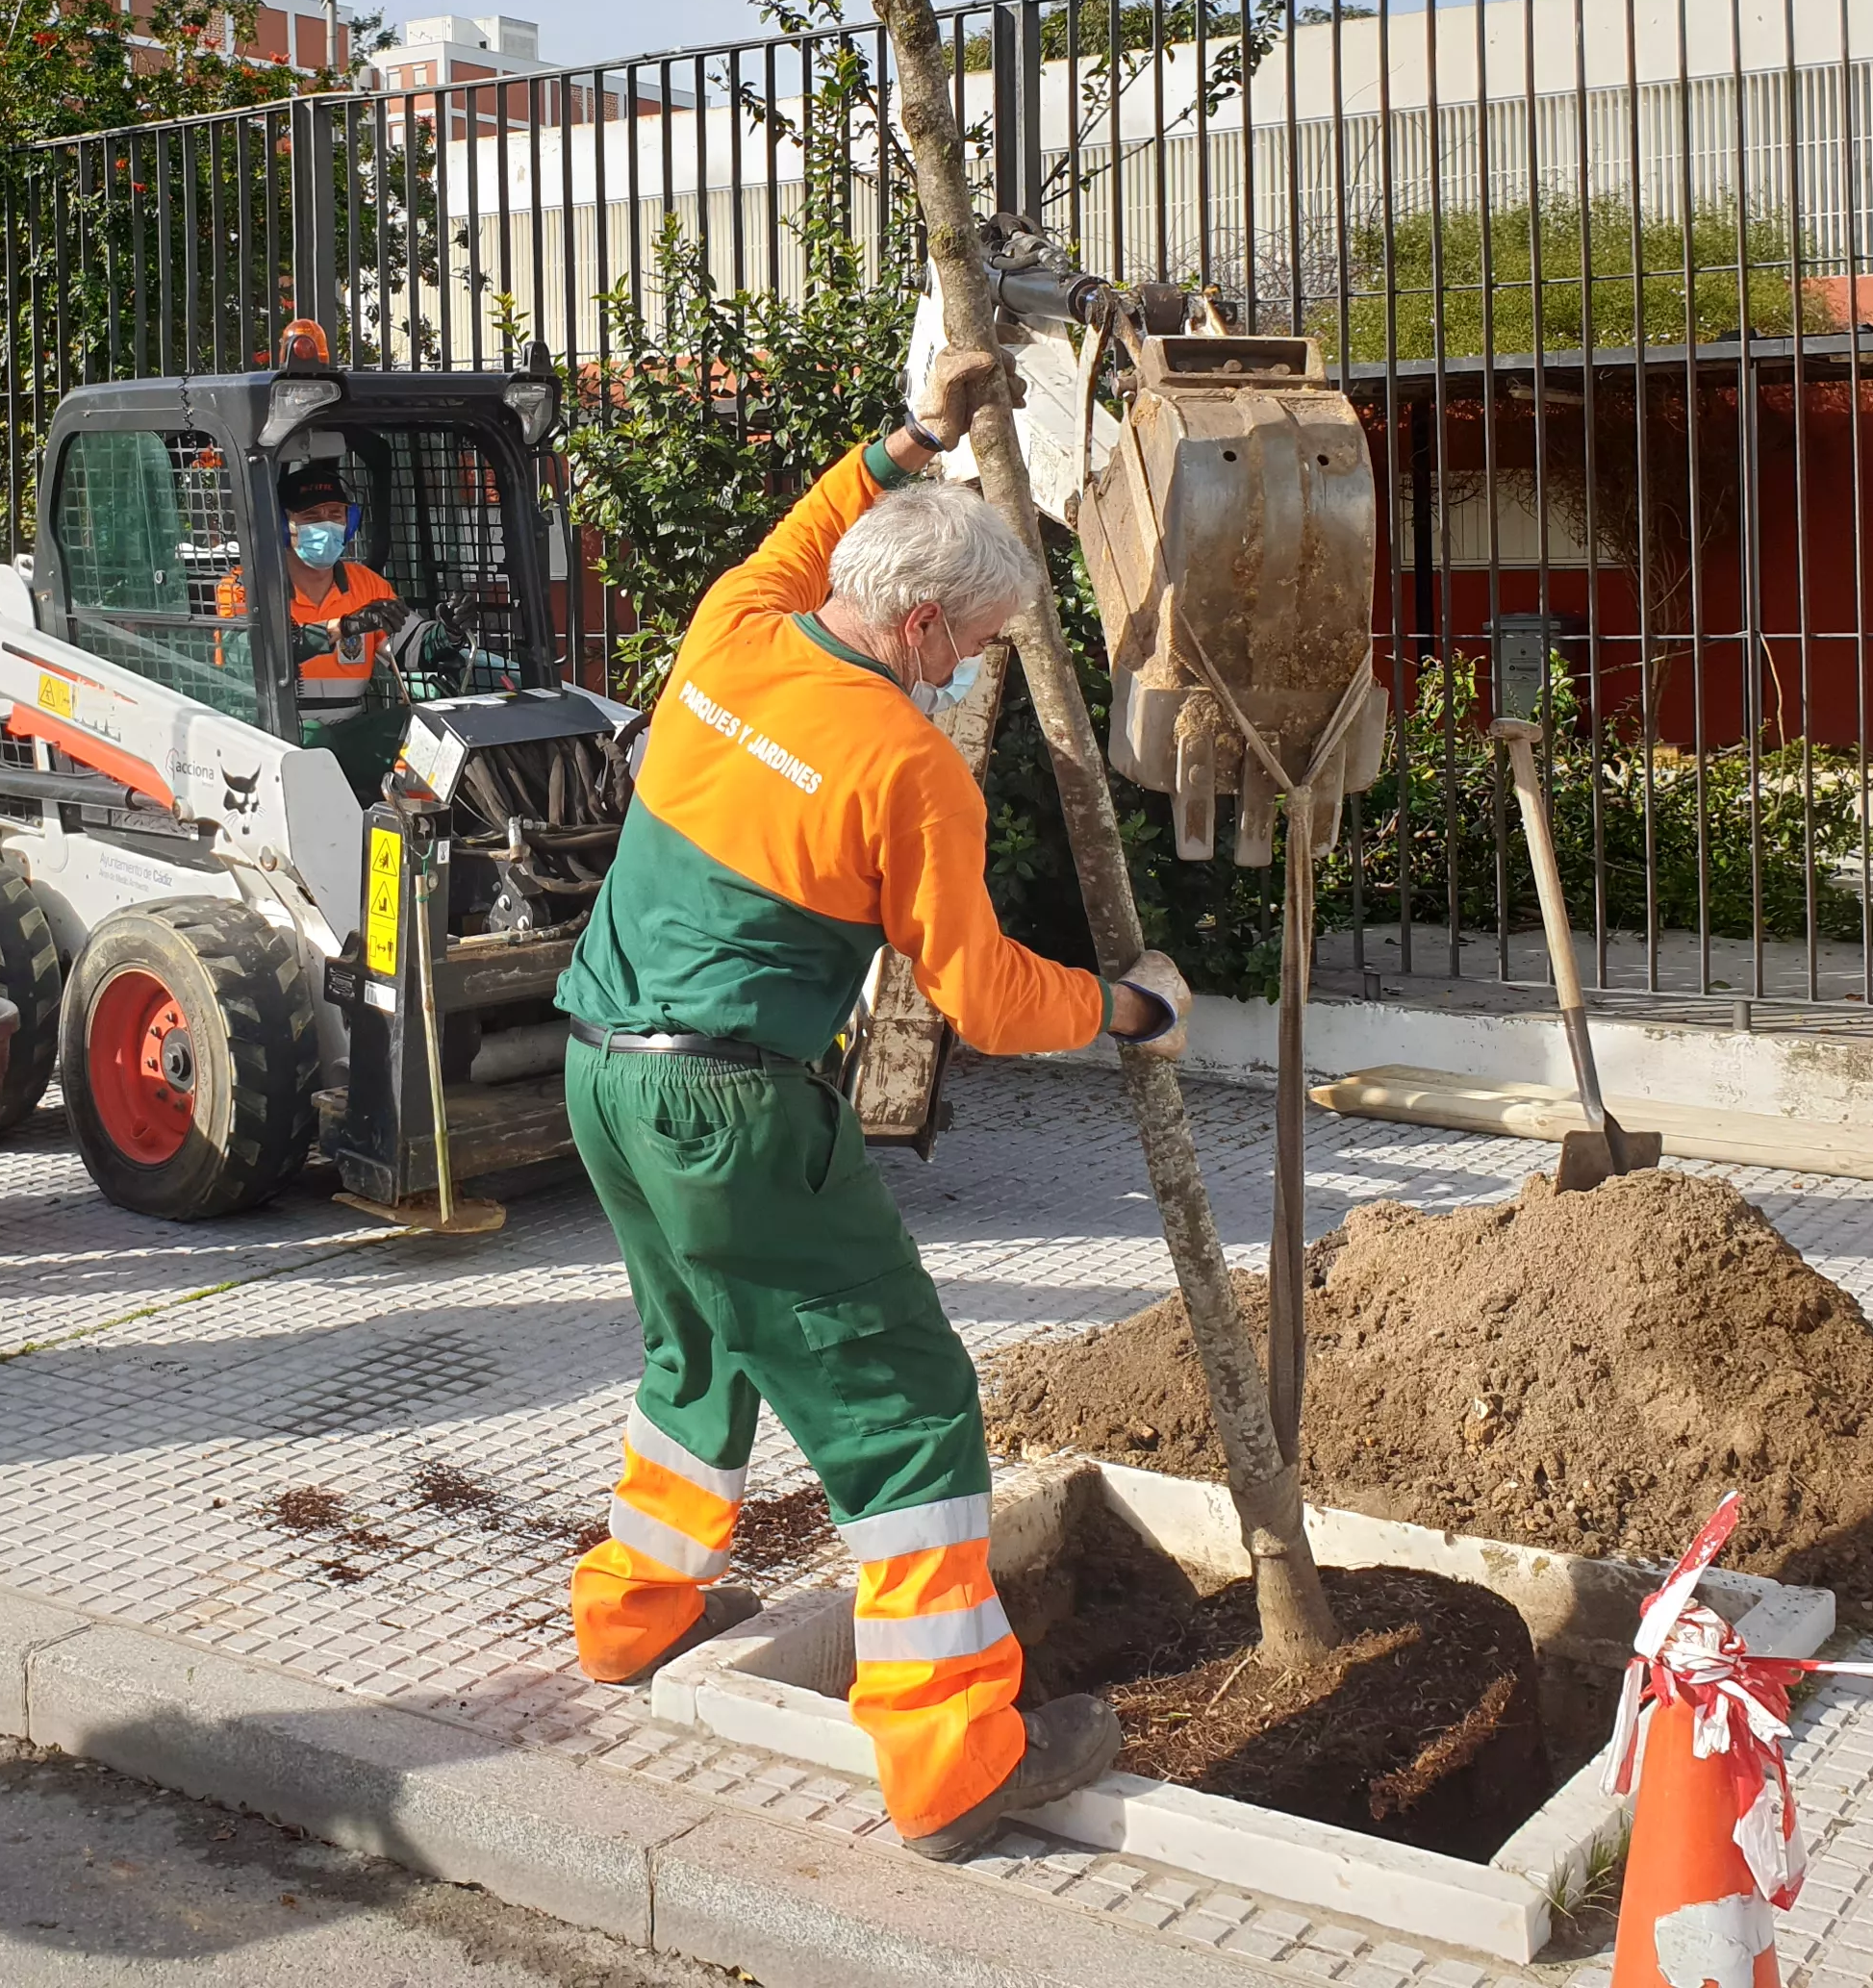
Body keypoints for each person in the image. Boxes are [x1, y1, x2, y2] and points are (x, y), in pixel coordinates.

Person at [550, 349, 1192, 1863]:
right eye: (969, 642)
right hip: (732, 1109)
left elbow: (812, 520)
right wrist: (1135, 1008)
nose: (970, 668)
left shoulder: (737, 625)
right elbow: (986, 998)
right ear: (917, 625)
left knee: (699, 1346)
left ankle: (632, 1613)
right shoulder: (908, 766)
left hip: (603, 1073)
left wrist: (920, 433)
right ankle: (954, 1753)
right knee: (906, 1414)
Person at [219, 455, 403, 755]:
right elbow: (246, 658)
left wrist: (447, 632)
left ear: (349, 523)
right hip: (267, 735)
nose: (326, 525)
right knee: (316, 740)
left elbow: (405, 643)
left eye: (335, 514)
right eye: (311, 516)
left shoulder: (366, 583)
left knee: (418, 728)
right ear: (281, 525)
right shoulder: (241, 587)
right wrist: (341, 628)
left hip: (350, 730)